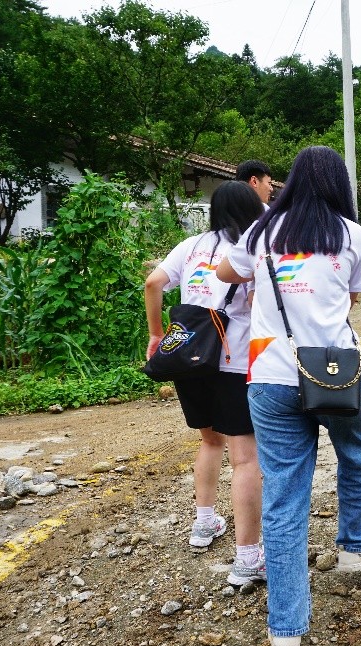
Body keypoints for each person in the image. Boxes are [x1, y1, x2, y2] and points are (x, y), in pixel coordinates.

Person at [217, 146, 361, 646]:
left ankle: (286, 629)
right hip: (336, 369)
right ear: (339, 185)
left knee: (285, 495)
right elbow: (358, 296)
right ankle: (357, 545)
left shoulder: (261, 231)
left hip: (270, 375)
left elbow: (226, 274)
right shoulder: (353, 235)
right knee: (359, 454)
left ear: (290, 181)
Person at [143, 181, 266, 586]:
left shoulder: (190, 245)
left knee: (210, 441)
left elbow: (153, 283)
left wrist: (156, 335)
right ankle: (248, 557)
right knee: (245, 457)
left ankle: (203, 524)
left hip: (189, 356)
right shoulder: (254, 246)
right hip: (235, 358)